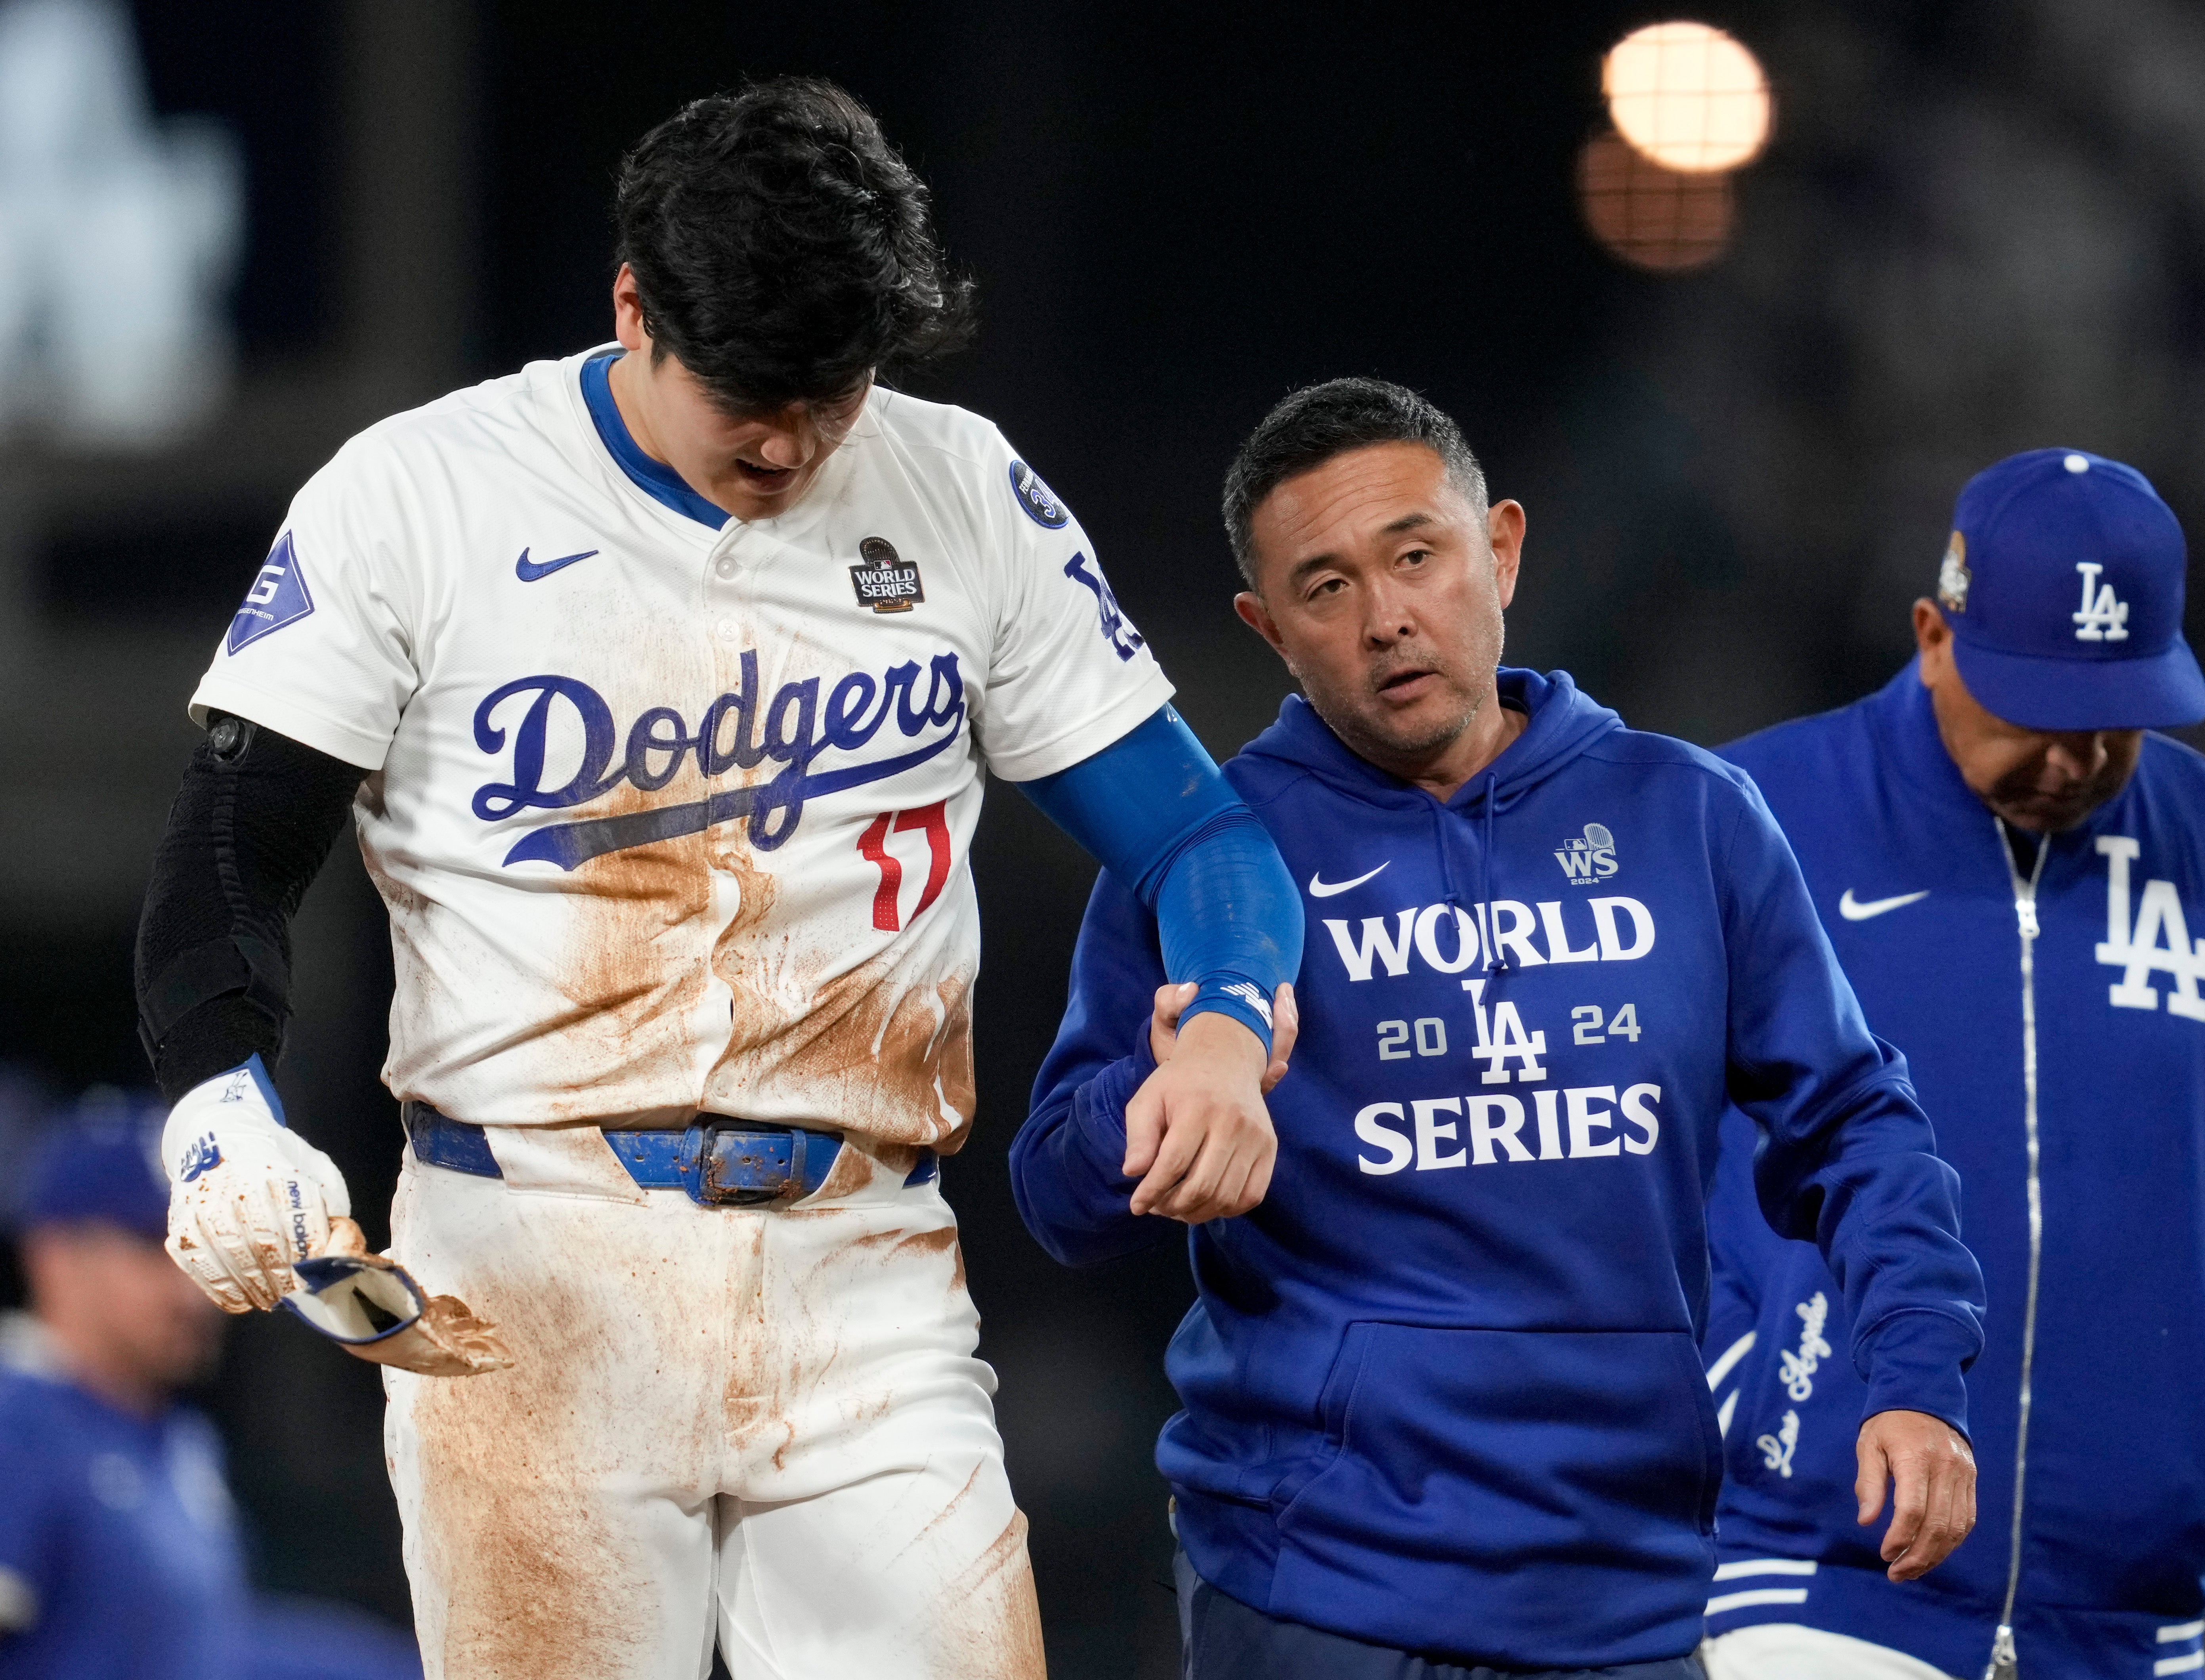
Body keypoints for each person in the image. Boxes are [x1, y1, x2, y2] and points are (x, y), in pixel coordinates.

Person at [130, 79, 1302, 1679]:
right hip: (530, 1266)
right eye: (750, 387)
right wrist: (218, 1111)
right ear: (634, 308)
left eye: (831, 391)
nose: (789, 437)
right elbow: (224, 850)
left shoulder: (957, 487)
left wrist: (1231, 1018)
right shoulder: (423, 492)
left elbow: (1201, 837)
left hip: (865, 1277)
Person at [1012, 378, 1989, 1679]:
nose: (1388, 620)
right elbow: (1054, 1197)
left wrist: (1915, 1375)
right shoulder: (1209, 853)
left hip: (1627, 1595)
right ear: (1268, 629)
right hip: (1314, 1595)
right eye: (1326, 589)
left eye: (1417, 557)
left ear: (1506, 549)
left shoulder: (1692, 818)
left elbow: (1860, 1128)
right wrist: (1156, 1086)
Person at [1697, 449, 2205, 1680]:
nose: (2075, 762)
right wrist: (1745, 1383)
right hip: (1816, 1577)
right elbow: (1618, 1143)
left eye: (2114, 722)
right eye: (2037, 715)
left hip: (2130, 1620)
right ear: (1935, 634)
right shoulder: (1752, 812)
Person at [0, 1089, 421, 1680]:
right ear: (56, 1256)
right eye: (155, 1247)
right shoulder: (17, 1421)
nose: (190, 1288)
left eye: (202, 1250)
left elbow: (205, 1650)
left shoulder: (174, 1437)